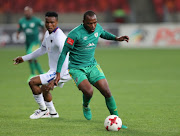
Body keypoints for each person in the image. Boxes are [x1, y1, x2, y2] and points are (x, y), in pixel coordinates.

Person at [50, 11, 129, 128]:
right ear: (83, 22)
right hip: (76, 68)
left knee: (107, 92)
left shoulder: (97, 28)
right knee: (89, 91)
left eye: (94, 23)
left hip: (92, 66)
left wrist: (116, 38)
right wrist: (58, 73)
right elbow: (63, 53)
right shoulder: (74, 34)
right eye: (89, 23)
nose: (93, 26)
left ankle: (117, 120)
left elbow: (103, 33)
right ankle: (85, 105)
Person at [13, 11, 71, 119]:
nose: (49, 25)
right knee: (44, 88)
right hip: (54, 70)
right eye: (47, 22)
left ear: (57, 22)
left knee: (33, 82)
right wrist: (24, 58)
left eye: (52, 22)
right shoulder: (48, 33)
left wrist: (57, 77)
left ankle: (43, 110)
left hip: (63, 71)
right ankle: (53, 113)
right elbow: (41, 50)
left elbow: (66, 58)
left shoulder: (60, 38)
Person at [17, 6, 45, 81]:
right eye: (26, 11)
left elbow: (43, 27)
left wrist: (43, 37)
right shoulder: (22, 21)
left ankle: (32, 74)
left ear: (31, 12)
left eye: (28, 11)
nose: (27, 13)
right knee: (33, 59)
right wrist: (18, 34)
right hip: (28, 43)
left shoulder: (36, 20)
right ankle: (42, 73)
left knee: (29, 56)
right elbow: (19, 29)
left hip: (35, 42)